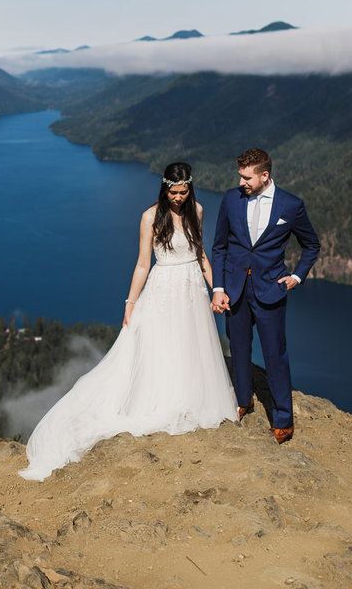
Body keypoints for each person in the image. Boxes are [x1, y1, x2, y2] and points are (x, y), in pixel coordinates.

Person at [19, 162, 237, 481]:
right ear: (164, 188)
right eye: (173, 192)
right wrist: (130, 302)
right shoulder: (150, 217)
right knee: (164, 347)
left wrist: (216, 287)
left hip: (192, 290)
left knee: (191, 346)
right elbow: (142, 264)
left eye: (183, 191)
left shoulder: (198, 210)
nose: (178, 197)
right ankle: (165, 400)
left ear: (191, 188)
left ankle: (191, 398)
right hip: (164, 290)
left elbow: (201, 252)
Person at [211, 148, 319, 444]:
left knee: (275, 355)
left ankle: (283, 418)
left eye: (246, 177)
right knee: (239, 349)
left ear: (265, 175)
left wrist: (296, 277)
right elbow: (219, 247)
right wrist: (219, 288)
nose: (241, 182)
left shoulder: (291, 206)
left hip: (271, 290)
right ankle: (244, 401)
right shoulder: (231, 199)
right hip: (235, 291)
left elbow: (312, 245)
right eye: (240, 176)